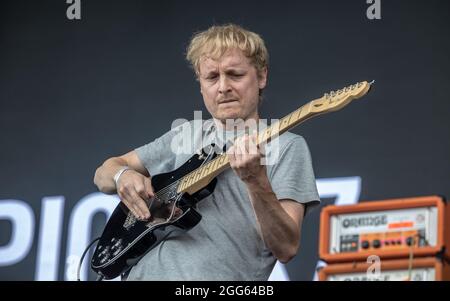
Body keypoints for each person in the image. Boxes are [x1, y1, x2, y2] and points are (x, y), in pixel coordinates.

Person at [93, 24, 320, 281]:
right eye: (212, 77)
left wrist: (256, 181)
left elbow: (287, 247)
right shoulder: (187, 134)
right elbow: (103, 173)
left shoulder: (287, 145)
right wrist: (122, 175)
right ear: (201, 86)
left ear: (262, 76)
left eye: (235, 74)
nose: (223, 87)